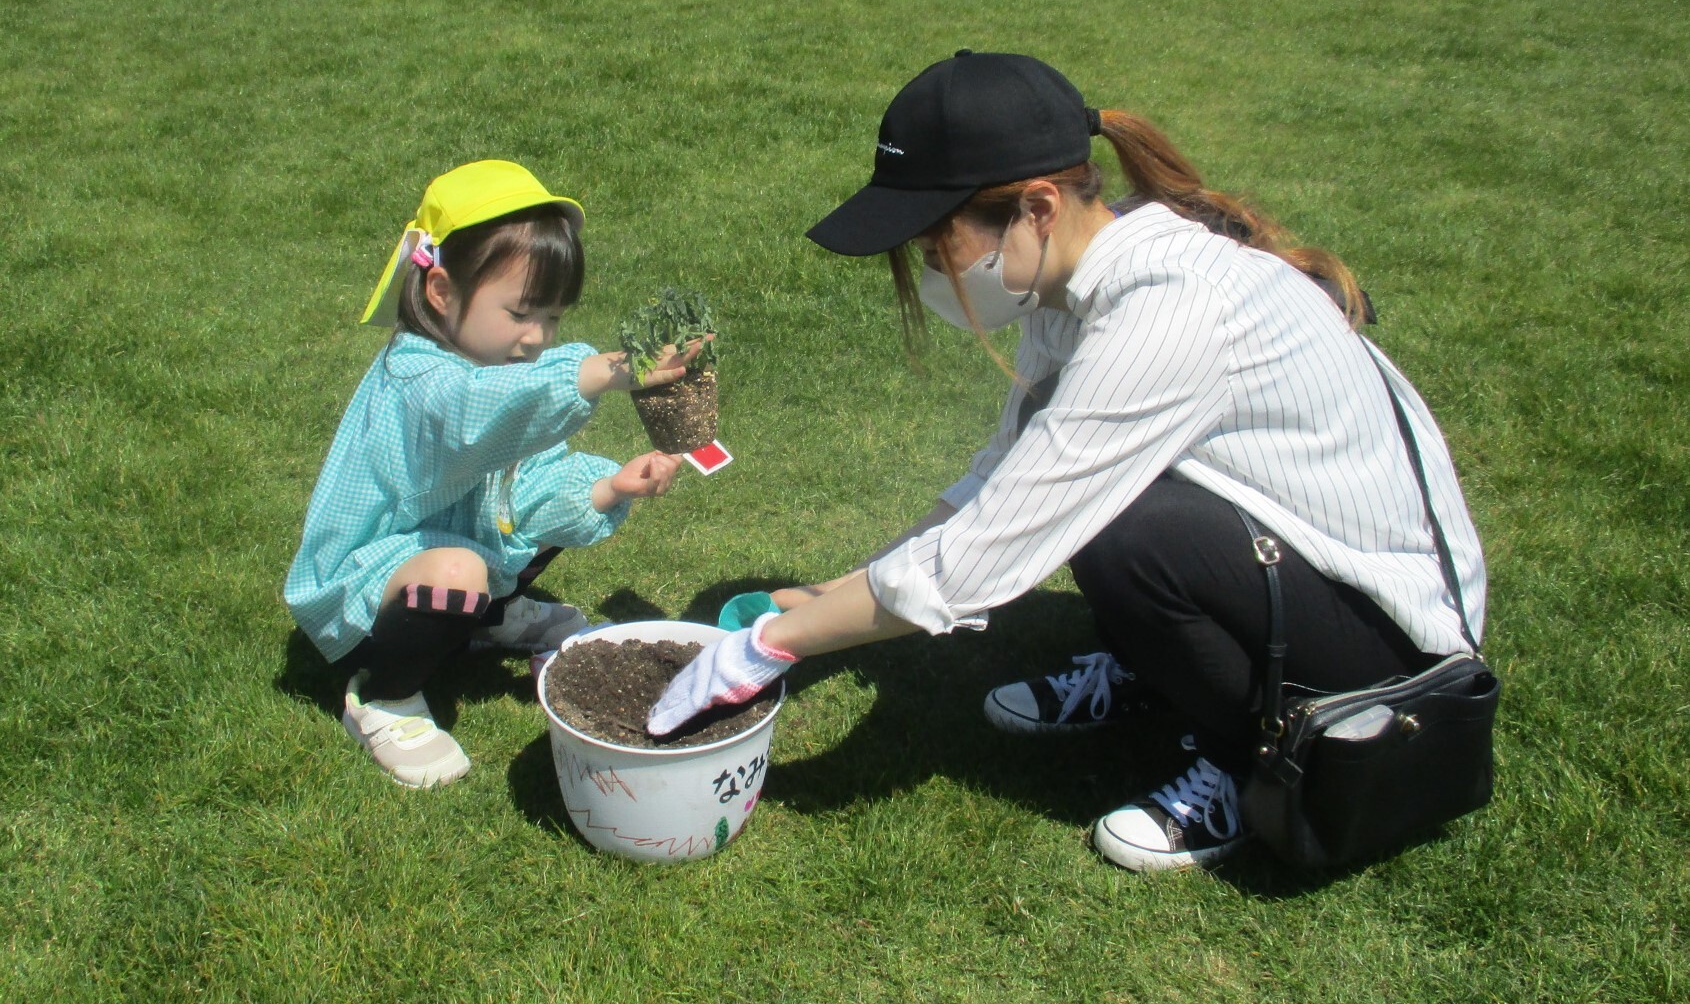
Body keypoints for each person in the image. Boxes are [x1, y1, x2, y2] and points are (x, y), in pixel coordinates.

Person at [648, 51, 1487, 872]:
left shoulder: (1166, 312)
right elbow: (1003, 474)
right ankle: (1161, 671)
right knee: (1103, 503)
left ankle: (1245, 755)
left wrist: (769, 645)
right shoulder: (1075, 272)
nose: (936, 272)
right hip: (1284, 561)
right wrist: (838, 588)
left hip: (1394, 652)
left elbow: (988, 551)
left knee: (1129, 529)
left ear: (1038, 207)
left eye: (939, 244)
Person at [286, 159, 698, 789]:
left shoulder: (494, 376)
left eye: (554, 318)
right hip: (363, 592)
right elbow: (476, 411)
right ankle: (385, 696)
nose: (538, 338)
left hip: (447, 551)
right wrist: (606, 370)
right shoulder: (419, 377)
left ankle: (484, 617)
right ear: (442, 291)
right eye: (522, 313)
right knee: (459, 570)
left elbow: (526, 492)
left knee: (508, 534)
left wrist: (611, 486)